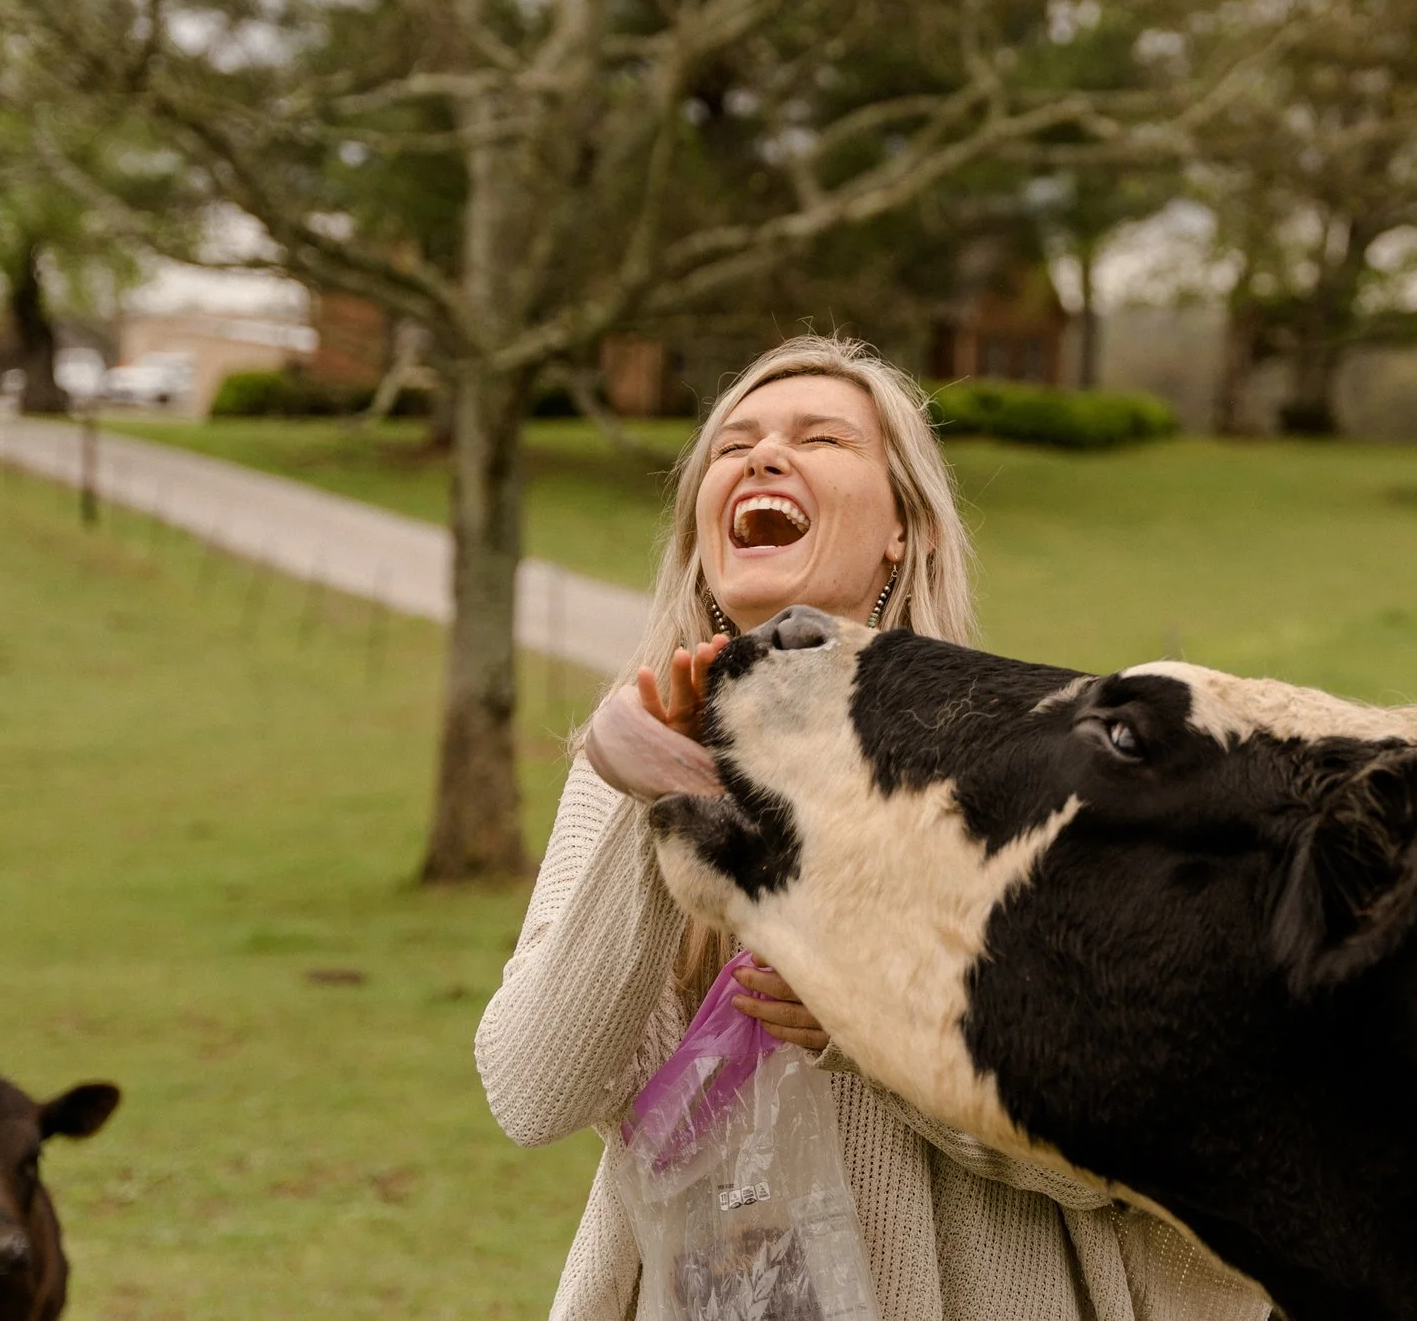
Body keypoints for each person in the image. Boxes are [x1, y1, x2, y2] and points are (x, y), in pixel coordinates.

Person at [476, 336, 1268, 1321]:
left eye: (822, 438)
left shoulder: (1013, 767)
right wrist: (663, 795)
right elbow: (533, 1092)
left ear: (903, 527)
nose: (765, 456)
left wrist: (870, 1034)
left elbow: (1123, 1139)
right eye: (734, 445)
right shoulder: (619, 780)